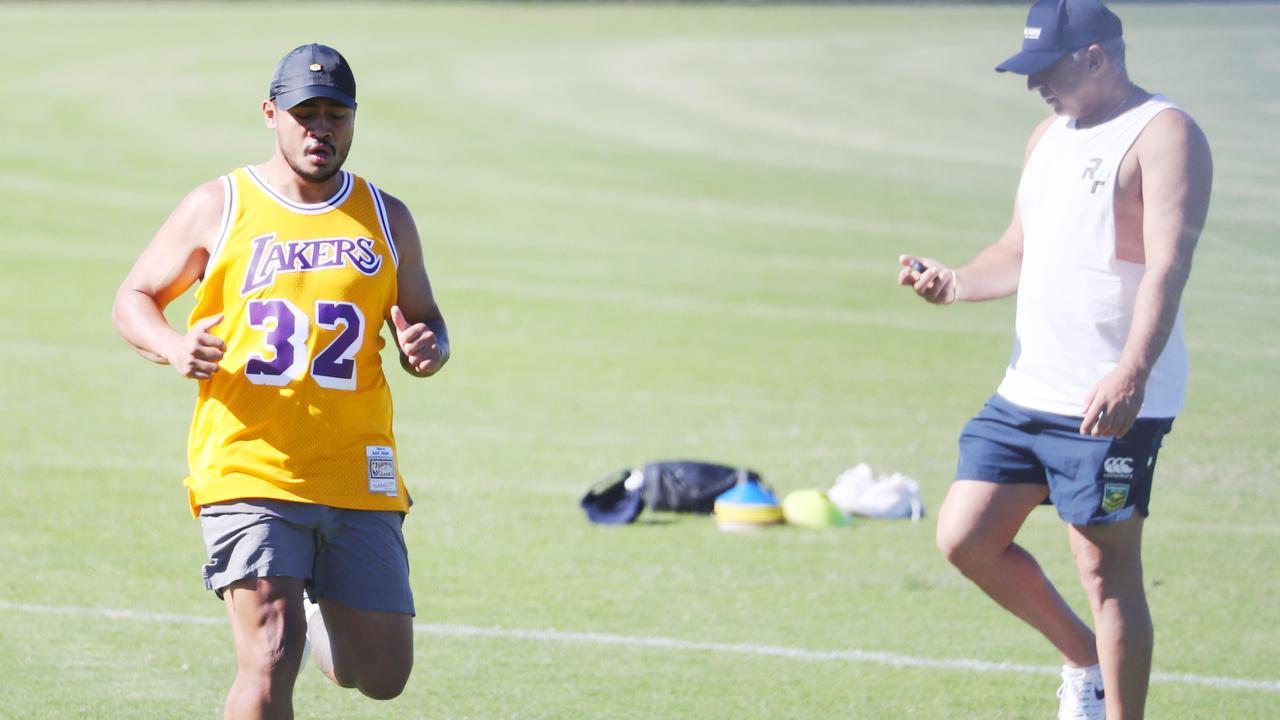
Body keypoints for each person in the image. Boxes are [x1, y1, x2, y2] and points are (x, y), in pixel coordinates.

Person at [112, 43, 449, 718]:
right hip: (248, 465)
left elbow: (427, 320)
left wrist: (427, 346)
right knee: (270, 654)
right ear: (272, 114)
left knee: (383, 673)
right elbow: (134, 299)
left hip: (358, 469)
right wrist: (176, 348)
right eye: (304, 114)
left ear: (354, 120)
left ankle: (323, 610)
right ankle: (297, 614)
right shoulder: (221, 205)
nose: (319, 129)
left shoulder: (387, 218)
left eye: (335, 115)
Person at [897, 2, 1212, 718]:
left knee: (1105, 571)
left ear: (1096, 57)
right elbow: (1017, 248)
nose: (1033, 84)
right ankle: (1085, 664)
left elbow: (1169, 265)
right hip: (1028, 389)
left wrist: (1131, 371)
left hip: (1110, 398)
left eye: (1047, 68)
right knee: (965, 537)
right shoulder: (1048, 135)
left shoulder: (1164, 134)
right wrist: (955, 284)